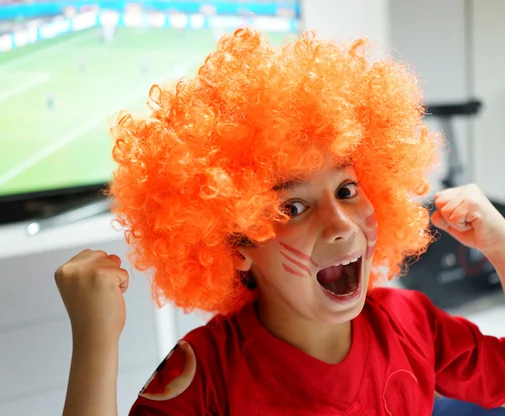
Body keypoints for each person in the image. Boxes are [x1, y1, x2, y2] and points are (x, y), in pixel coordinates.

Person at [55, 29, 505, 415]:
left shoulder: (409, 323)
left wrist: (501, 246)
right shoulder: (206, 372)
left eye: (347, 190)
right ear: (238, 242)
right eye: (292, 207)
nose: (341, 224)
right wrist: (97, 340)